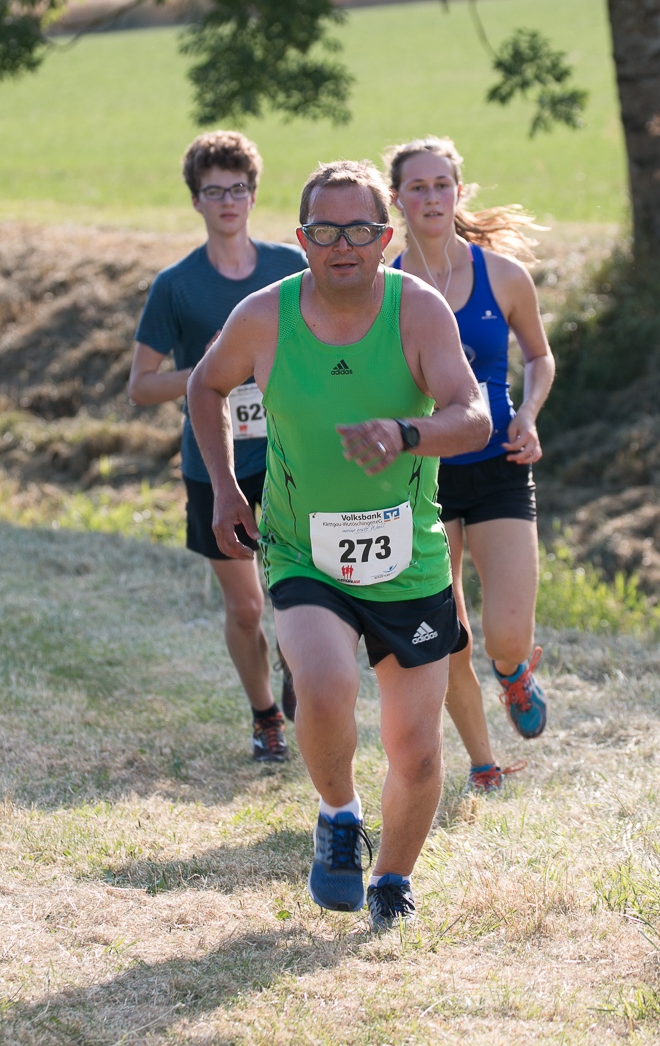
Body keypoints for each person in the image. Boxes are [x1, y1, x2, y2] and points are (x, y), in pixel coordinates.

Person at [187, 159, 490, 930]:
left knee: (417, 751)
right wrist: (224, 487)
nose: (342, 245)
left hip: (409, 559)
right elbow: (205, 385)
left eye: (359, 229)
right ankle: (339, 814)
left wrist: (405, 433)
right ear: (302, 239)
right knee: (323, 686)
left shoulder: (418, 311)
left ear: (385, 238)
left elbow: (474, 416)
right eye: (325, 231)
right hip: (303, 550)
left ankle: (392, 880)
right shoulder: (266, 316)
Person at [384, 135, 556, 794]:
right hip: (423, 476)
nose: (431, 197)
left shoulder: (503, 276)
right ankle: (484, 764)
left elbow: (539, 356)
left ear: (459, 192)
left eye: (441, 185)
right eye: (417, 187)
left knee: (504, 634)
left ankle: (514, 673)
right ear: (397, 198)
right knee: (449, 633)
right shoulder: (384, 286)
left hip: (498, 465)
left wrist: (529, 413)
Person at [129, 131, 306, 764]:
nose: (227, 201)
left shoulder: (291, 268)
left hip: (292, 455)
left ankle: (298, 663)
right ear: (196, 200)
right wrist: (211, 372)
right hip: (215, 463)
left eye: (237, 189)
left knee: (300, 593)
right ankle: (265, 716)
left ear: (253, 195)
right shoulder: (176, 286)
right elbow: (141, 386)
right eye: (214, 191)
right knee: (247, 605)